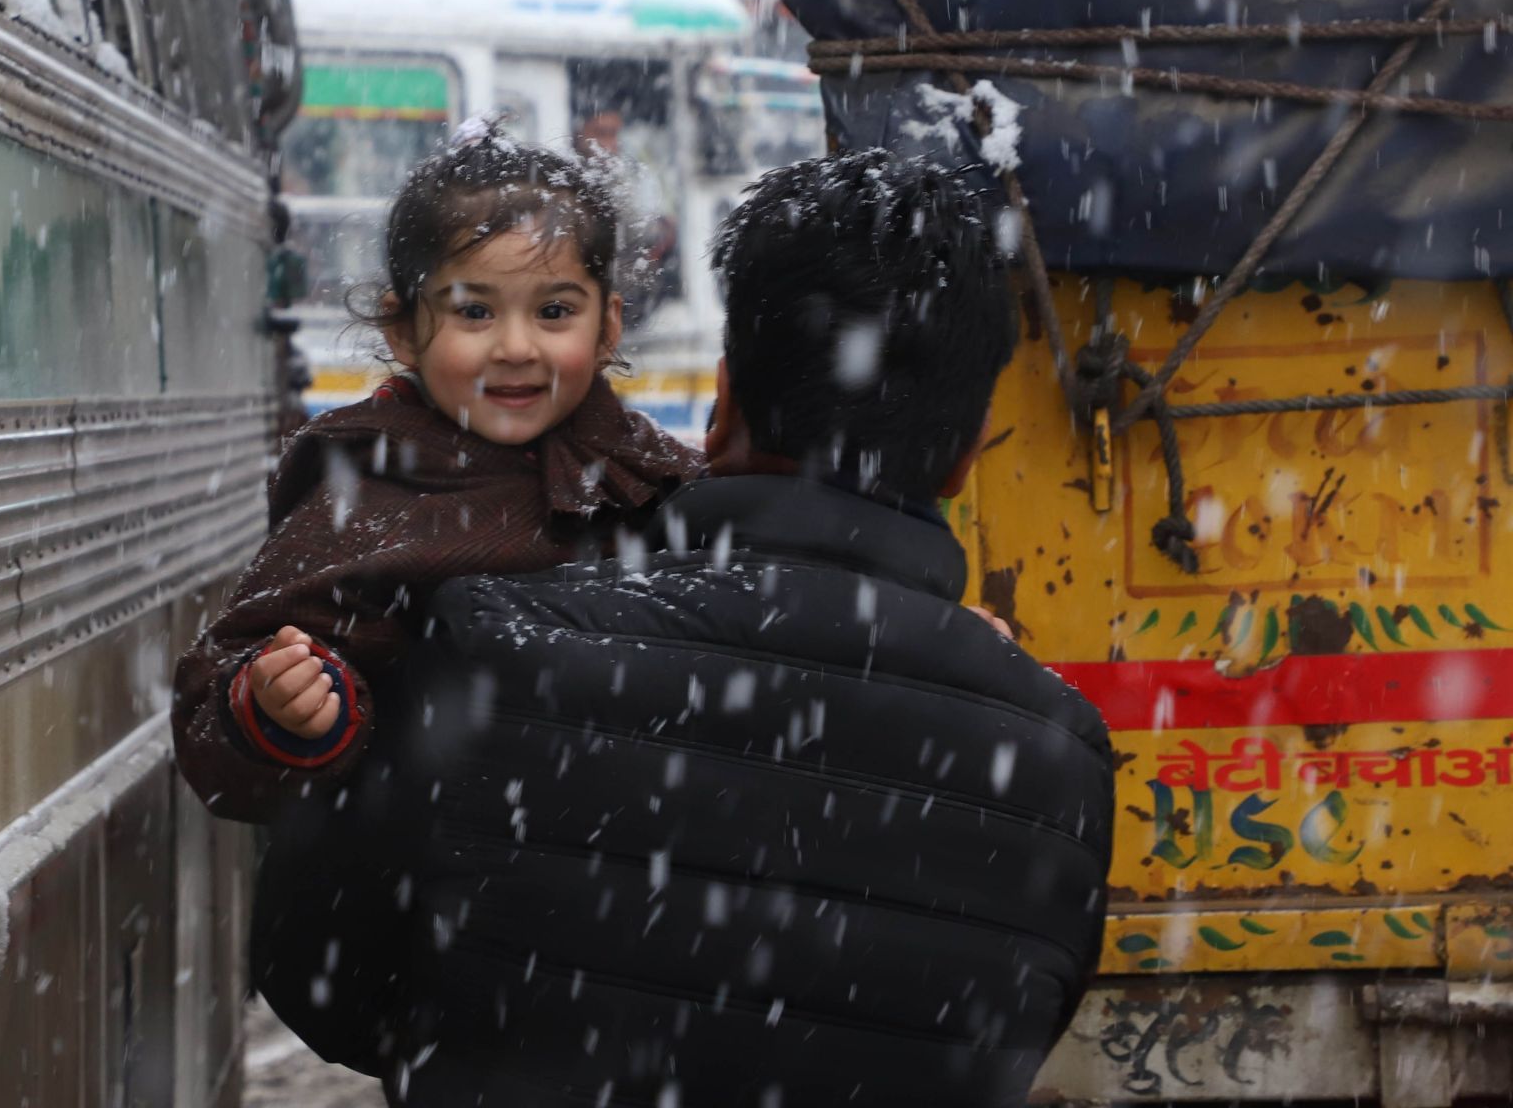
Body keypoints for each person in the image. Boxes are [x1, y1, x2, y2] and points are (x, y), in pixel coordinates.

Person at [368, 150, 1116, 1106]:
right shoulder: (1055, 756)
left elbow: (333, 970)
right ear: (968, 454)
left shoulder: (495, 649)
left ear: (721, 404)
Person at [169, 124, 703, 1060]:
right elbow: (224, 693)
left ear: (609, 325)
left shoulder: (658, 484)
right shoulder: (365, 497)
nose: (516, 349)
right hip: (446, 955)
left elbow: (765, 618)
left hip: (639, 946)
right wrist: (283, 704)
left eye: (555, 311)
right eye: (472, 312)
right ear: (401, 328)